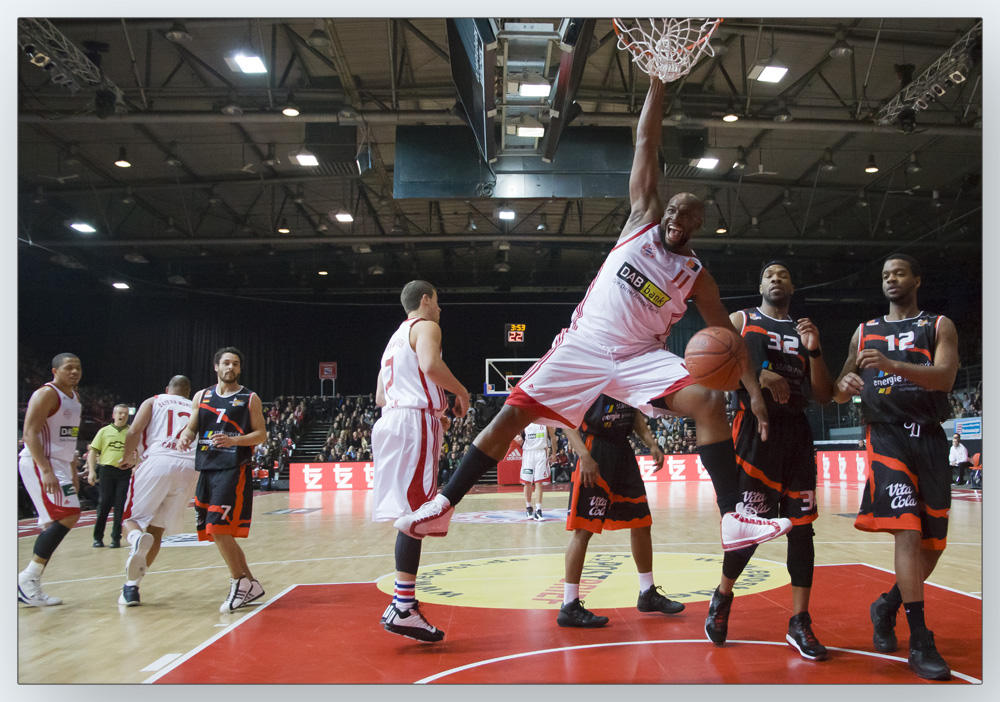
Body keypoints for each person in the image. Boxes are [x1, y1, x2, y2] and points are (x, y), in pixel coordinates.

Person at [395, 77, 790, 553]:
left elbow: (723, 334)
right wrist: (658, 83)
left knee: (707, 399)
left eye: (687, 217)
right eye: (674, 211)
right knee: (510, 415)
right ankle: (444, 504)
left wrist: (755, 386)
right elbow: (646, 141)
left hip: (641, 357)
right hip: (585, 344)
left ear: (697, 226)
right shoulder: (641, 218)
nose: (676, 219)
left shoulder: (696, 275)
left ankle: (731, 519)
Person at [833, 254, 958, 681]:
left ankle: (886, 606)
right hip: (885, 434)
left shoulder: (938, 325)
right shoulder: (864, 331)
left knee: (933, 544)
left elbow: (943, 378)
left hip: (929, 436)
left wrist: (891, 366)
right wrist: (843, 386)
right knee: (908, 527)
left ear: (916, 279)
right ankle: (921, 638)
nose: (890, 279)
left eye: (899, 273)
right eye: (885, 274)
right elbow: (838, 390)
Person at [703, 261, 835, 660]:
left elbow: (824, 395)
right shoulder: (742, 319)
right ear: (760, 284)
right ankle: (723, 596)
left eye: (783, 274)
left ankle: (799, 621)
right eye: (769, 274)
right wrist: (756, 373)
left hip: (797, 433)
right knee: (750, 526)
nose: (776, 278)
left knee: (802, 528)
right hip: (755, 433)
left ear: (793, 286)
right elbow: (707, 359)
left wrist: (814, 350)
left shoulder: (803, 329)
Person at [372, 280, 470, 643]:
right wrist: (459, 391)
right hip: (413, 423)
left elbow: (382, 395)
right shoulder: (426, 326)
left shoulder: (393, 339)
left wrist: (430, 406)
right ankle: (404, 607)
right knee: (417, 514)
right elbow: (430, 363)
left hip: (392, 422)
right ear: (425, 300)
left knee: (408, 513)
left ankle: (402, 602)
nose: (440, 309)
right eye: (438, 301)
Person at [557, 394, 685, 627]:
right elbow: (564, 419)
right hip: (595, 449)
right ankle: (569, 605)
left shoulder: (625, 376)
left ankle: (647, 592)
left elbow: (634, 415)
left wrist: (651, 443)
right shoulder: (589, 374)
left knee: (641, 520)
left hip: (623, 452)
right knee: (583, 528)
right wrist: (584, 456)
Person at [178, 347, 267, 613]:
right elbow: (193, 425)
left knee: (218, 527)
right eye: (226, 363)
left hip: (233, 468)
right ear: (216, 366)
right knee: (215, 531)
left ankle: (238, 582)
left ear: (240, 369)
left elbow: (260, 434)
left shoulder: (250, 398)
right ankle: (251, 583)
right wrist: (185, 436)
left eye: (236, 364)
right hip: (206, 467)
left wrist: (234, 440)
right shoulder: (201, 396)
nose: (231, 367)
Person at [114, 375, 199, 606]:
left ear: (167, 389)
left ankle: (134, 539)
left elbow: (134, 431)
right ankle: (132, 587)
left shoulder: (154, 401)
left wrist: (127, 456)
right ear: (188, 392)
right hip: (189, 468)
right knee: (157, 530)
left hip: (158, 461)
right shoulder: (197, 406)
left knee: (130, 520)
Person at [18, 353, 83, 607]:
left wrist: (71, 470)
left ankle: (30, 586)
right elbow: (29, 432)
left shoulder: (75, 397)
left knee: (51, 524)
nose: (75, 372)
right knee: (69, 514)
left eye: (78, 368)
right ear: (55, 371)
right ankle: (27, 577)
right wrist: (45, 470)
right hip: (40, 461)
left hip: (59, 464)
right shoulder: (46, 393)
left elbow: (69, 437)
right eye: (69, 368)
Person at [87, 404, 132, 548]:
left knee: (120, 506)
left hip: (124, 472)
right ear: (114, 415)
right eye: (120, 413)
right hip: (106, 471)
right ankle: (97, 537)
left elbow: (140, 452)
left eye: (125, 413)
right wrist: (92, 471)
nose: (123, 416)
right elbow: (93, 452)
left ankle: (116, 538)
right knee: (104, 504)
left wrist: (134, 464)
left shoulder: (132, 432)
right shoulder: (104, 431)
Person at [519, 422, 556, 520]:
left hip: (540, 453)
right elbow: (512, 429)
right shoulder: (525, 419)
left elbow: (553, 436)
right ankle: (528, 508)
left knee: (538, 482)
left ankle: (538, 510)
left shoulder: (545, 420)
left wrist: (554, 453)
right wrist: (516, 437)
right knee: (527, 482)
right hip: (528, 453)